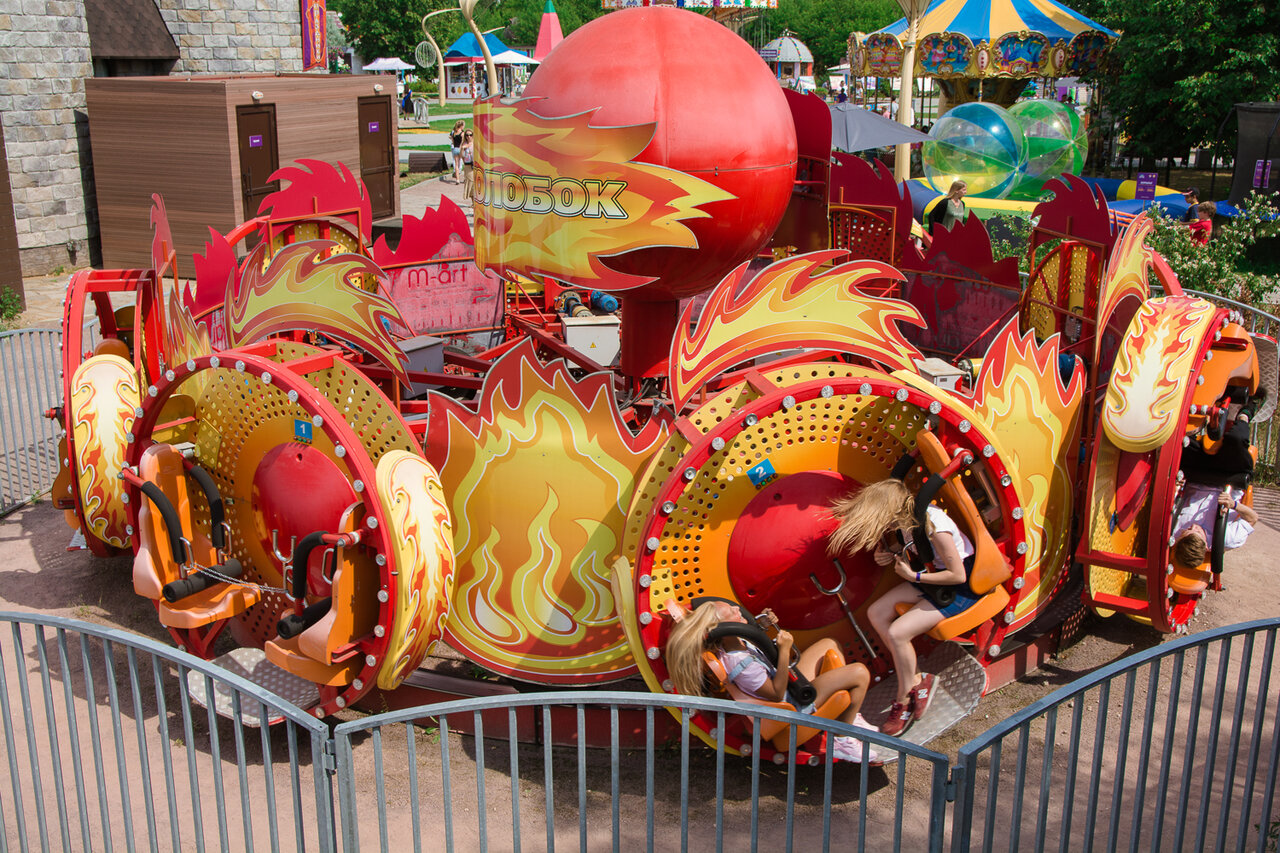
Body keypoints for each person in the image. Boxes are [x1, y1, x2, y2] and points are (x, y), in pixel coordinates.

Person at [828, 479, 977, 737]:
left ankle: (904, 698)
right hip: (931, 579)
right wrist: (888, 555)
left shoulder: (935, 526)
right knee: (876, 612)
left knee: (898, 633)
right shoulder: (907, 524)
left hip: (957, 588)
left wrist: (914, 577)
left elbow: (958, 576)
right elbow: (909, 545)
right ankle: (917, 680)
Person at [666, 599, 878, 763]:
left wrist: (764, 625)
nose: (738, 610)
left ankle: (847, 715)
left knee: (828, 644)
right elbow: (777, 693)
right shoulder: (742, 666)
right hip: (792, 704)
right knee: (859, 673)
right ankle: (841, 740)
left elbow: (761, 649)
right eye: (732, 612)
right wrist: (784, 649)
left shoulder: (734, 642)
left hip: (788, 687)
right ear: (724, 627)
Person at [1171, 391, 1264, 567]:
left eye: (1187, 530)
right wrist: (1233, 505)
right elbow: (1253, 518)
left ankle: (1207, 404)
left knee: (1179, 439)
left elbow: (1172, 504)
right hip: (1229, 475)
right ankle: (1247, 413)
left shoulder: (1175, 532)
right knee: (1235, 439)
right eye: (1196, 531)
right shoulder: (1227, 539)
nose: (1192, 527)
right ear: (1206, 546)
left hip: (1197, 473)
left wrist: (1176, 487)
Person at [460, 130, 475, 203]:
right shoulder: (464, 144)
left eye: (470, 135)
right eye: (467, 135)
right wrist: (462, 148)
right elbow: (461, 156)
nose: (469, 137)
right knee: (470, 183)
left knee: (474, 183)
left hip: (475, 166)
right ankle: (473, 202)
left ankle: (475, 202)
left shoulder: (475, 144)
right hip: (467, 166)